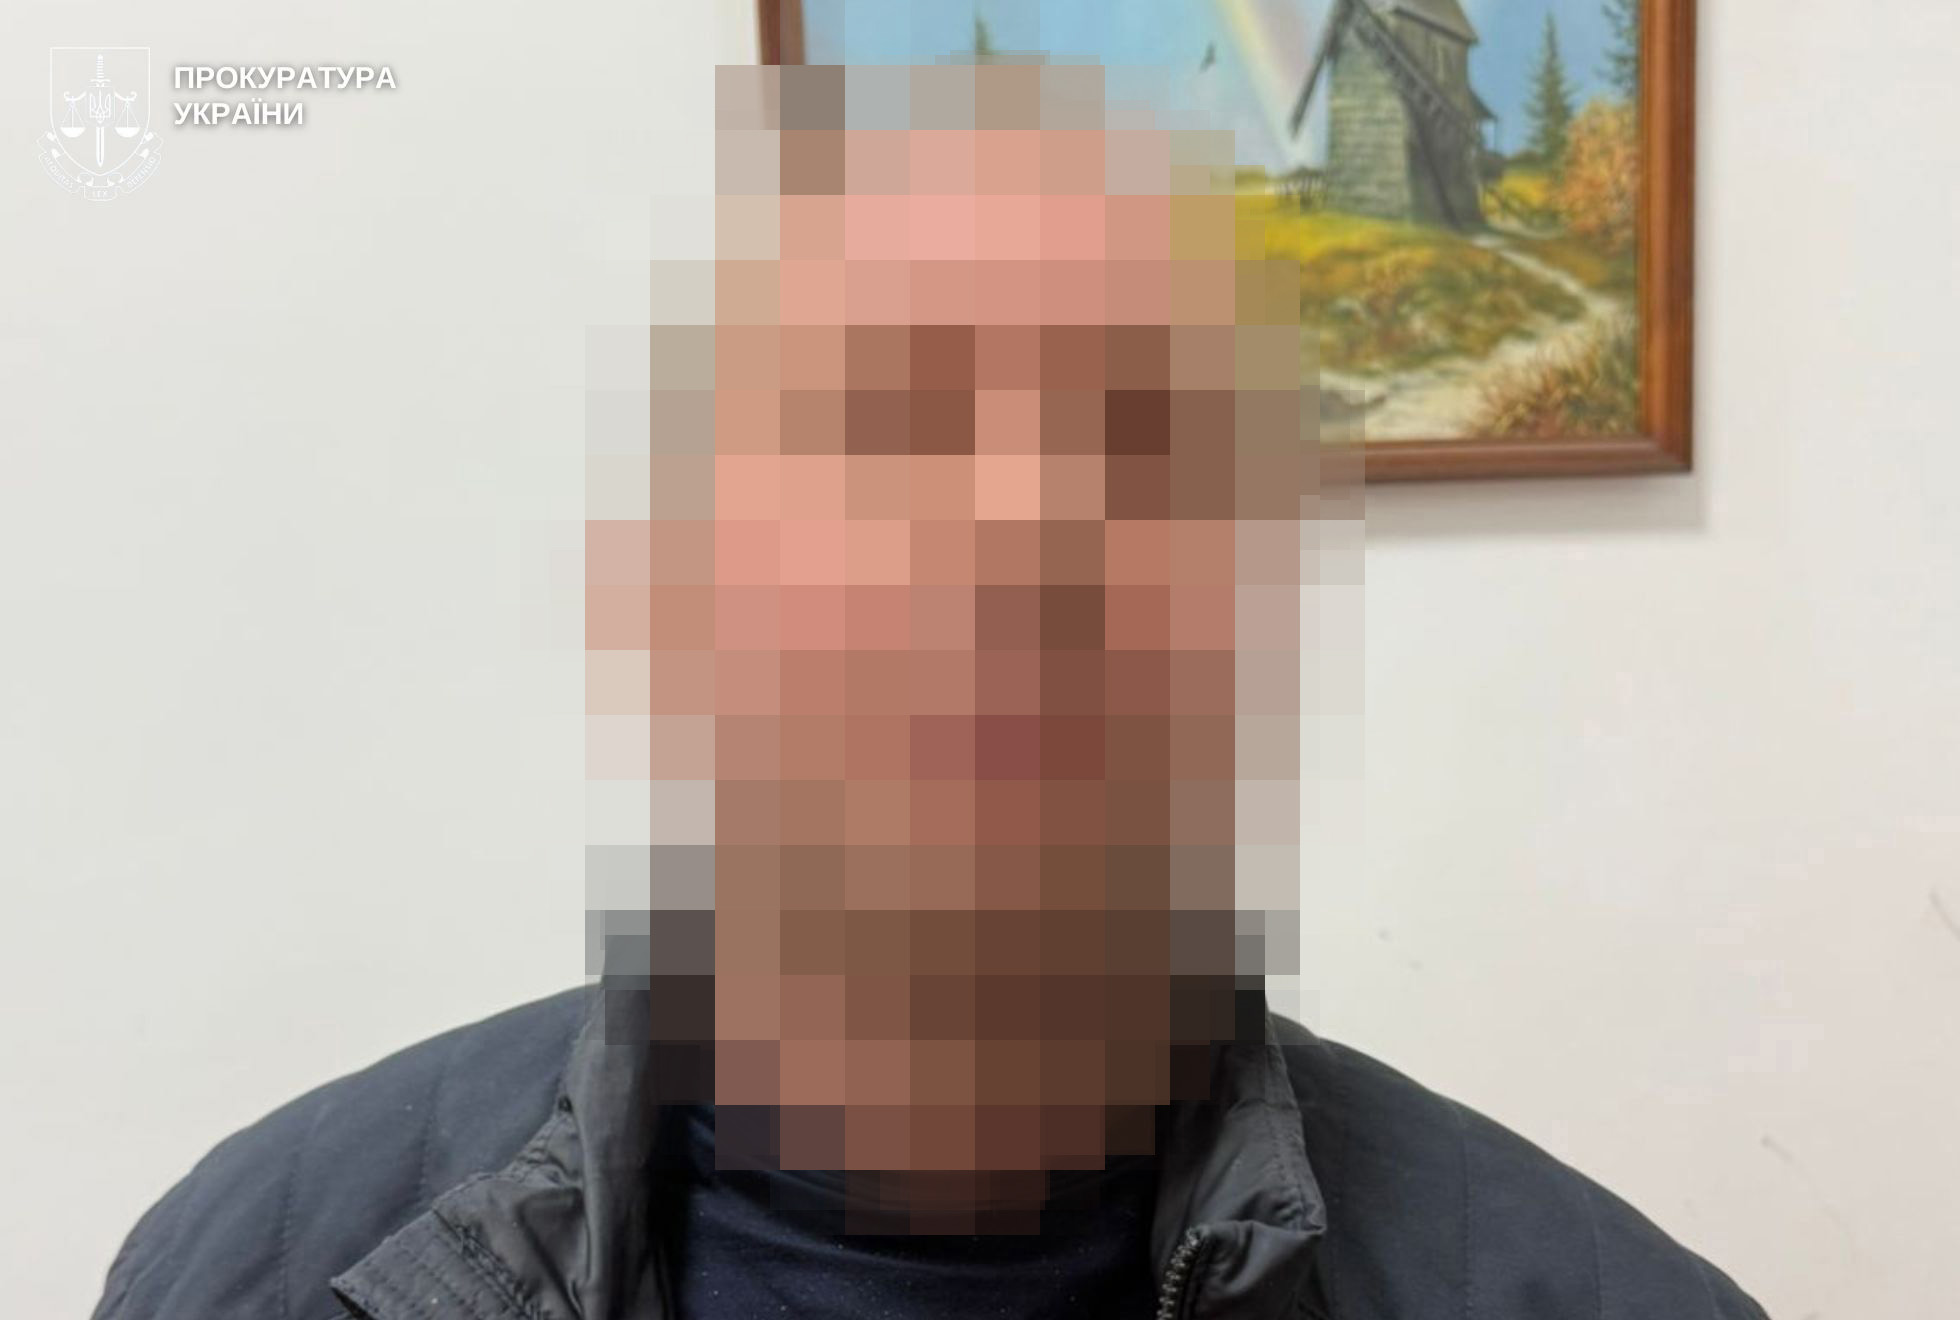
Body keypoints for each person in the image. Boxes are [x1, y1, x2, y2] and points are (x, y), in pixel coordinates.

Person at [92, 65, 1767, 1320]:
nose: (1025, 532)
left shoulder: (1603, 1296)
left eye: (1147, 446)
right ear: (660, 594)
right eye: (884, 426)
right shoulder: (257, 1268)